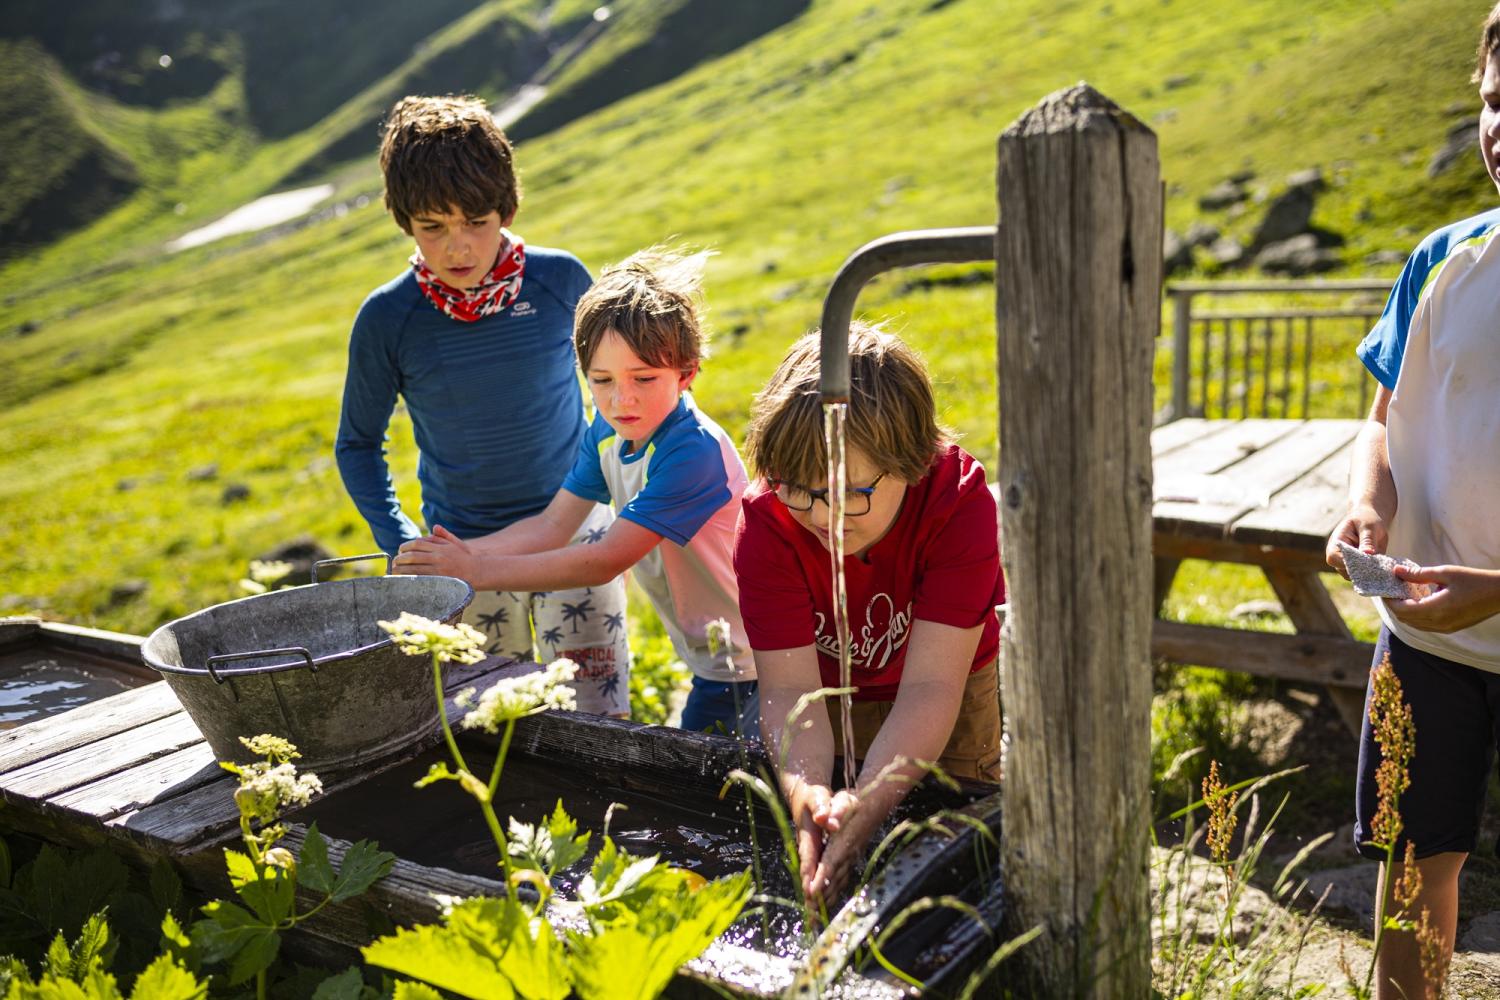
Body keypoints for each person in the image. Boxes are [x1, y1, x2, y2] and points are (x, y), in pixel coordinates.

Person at [335, 95, 631, 715]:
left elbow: (618, 395)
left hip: (573, 535)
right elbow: (358, 445)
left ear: (507, 207)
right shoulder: (388, 318)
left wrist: (599, 487)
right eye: (432, 227)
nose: (458, 247)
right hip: (458, 549)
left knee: (598, 718)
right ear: (404, 222)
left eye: (476, 220)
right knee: (487, 725)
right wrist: (403, 544)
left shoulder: (562, 281)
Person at [392, 249, 757, 736]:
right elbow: (552, 525)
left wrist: (474, 570)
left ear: (686, 373)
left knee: (732, 792)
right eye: (601, 381)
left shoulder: (694, 453)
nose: (621, 399)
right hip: (709, 655)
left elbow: (605, 559)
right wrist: (449, 557)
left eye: (643, 379)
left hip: (753, 655)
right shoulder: (607, 434)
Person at [1325, 7, 1500, 995]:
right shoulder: (1444, 257)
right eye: (1494, 103)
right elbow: (1383, 418)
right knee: (1412, 859)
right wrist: (1367, 504)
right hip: (1425, 637)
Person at [733, 323, 1003, 905]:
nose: (822, 516)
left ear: (910, 460)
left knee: (964, 841)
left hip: (950, 692)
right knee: (840, 841)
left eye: (850, 492)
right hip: (828, 698)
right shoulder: (768, 523)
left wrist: (875, 793)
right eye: (798, 490)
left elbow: (933, 685)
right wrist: (807, 792)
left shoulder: (958, 506)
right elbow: (788, 689)